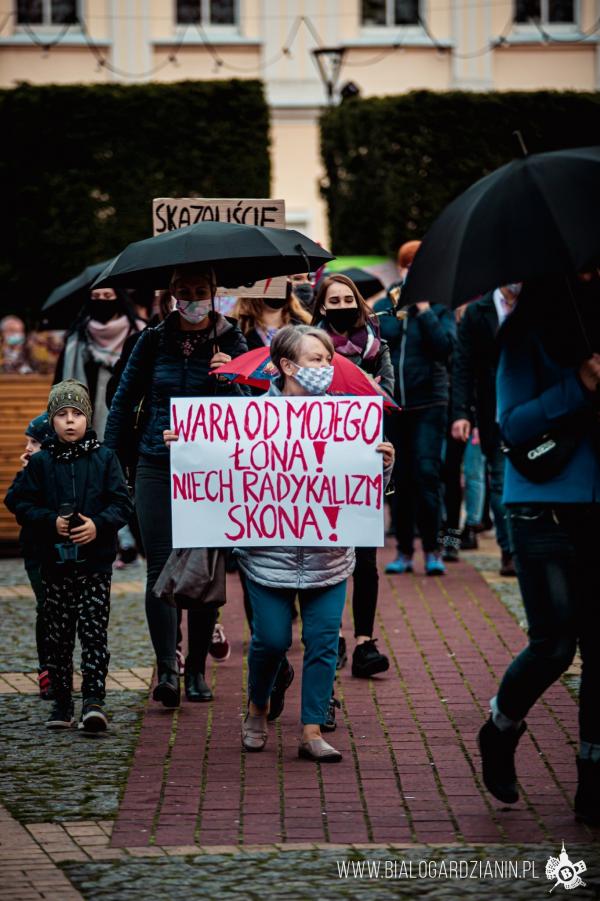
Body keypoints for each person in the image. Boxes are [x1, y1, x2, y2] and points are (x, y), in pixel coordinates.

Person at [225, 325, 394, 762]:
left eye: (327, 358)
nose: (326, 366)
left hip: (328, 556)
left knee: (322, 642)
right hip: (267, 557)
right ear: (286, 365)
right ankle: (258, 707)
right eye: (316, 359)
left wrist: (383, 465)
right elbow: (225, 478)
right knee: (271, 641)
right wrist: (189, 448)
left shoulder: (348, 418)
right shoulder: (249, 420)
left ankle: (312, 728)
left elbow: (365, 491)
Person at [478, 272, 600, 826]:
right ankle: (500, 728)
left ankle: (593, 780)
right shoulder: (524, 337)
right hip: (541, 509)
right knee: (554, 645)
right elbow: (513, 424)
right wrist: (579, 384)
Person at [104, 265, 248, 708]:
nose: (192, 298)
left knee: (204, 568)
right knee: (160, 566)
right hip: (157, 462)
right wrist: (107, 462)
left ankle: (199, 671)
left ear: (214, 294)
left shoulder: (233, 340)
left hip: (211, 467)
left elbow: (260, 406)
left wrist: (233, 377)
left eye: (200, 291)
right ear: (170, 295)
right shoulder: (152, 340)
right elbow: (123, 400)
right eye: (183, 291)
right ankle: (168, 668)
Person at [10, 380, 131, 732]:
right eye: (61, 414)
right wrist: (51, 522)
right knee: (58, 637)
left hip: (95, 565)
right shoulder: (41, 462)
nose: (69, 421)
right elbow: (19, 503)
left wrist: (98, 525)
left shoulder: (105, 458)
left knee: (94, 634)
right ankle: (62, 704)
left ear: (87, 417)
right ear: (52, 420)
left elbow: (122, 503)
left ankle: (94, 701)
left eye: (76, 413)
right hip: (54, 565)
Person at [311, 274, 393, 678]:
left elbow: (393, 397)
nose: (342, 305)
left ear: (357, 304)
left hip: (362, 462)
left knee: (364, 557)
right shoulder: (309, 350)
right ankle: (332, 637)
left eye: (348, 299)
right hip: (319, 463)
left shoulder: (379, 348)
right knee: (326, 556)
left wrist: (371, 391)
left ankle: (364, 641)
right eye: (334, 300)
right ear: (322, 308)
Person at [374, 241, 457, 576]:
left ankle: (433, 548)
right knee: (400, 479)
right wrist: (398, 309)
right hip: (393, 405)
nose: (412, 271)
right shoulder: (385, 303)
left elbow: (445, 348)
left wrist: (421, 309)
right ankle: (405, 550)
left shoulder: (439, 306)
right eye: (408, 265)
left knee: (427, 474)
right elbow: (377, 343)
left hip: (429, 403)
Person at [451, 284, 521, 576]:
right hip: (492, 410)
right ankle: (510, 550)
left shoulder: (540, 302)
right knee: (500, 483)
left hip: (530, 407)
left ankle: (526, 545)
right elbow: (463, 365)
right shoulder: (477, 313)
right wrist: (461, 413)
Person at [4, 412, 55, 698]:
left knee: (66, 610)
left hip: (62, 551)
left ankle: (61, 664)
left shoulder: (62, 472)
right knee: (46, 607)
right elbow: (12, 501)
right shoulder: (27, 474)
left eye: (33, 442)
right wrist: (26, 474)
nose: (27, 448)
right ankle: (47, 667)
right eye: (27, 441)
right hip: (36, 553)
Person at [54, 286, 144, 440]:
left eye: (107, 295)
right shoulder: (78, 334)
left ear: (119, 298)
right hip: (82, 422)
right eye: (95, 296)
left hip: (125, 420)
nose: (101, 300)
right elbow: (60, 381)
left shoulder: (140, 334)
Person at [232, 283, 311, 351]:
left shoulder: (305, 325)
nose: (279, 285)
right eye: (272, 280)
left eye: (284, 278)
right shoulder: (238, 330)